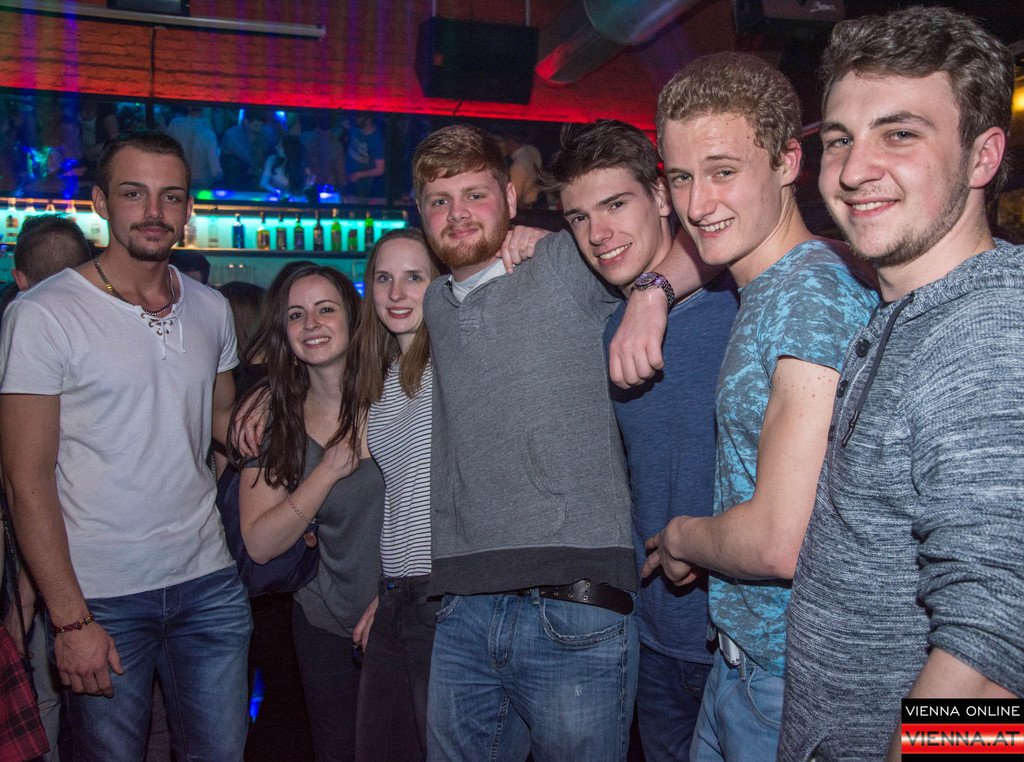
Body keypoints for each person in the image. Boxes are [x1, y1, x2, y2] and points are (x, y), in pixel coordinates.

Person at [780, 7, 1024, 760]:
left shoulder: (991, 334)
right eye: (840, 139)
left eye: (900, 134)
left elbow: (992, 665)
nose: (854, 171)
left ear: (983, 157)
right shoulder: (909, 309)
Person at [415, 124, 692, 760]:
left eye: (476, 195)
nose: (458, 214)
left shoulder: (565, 261)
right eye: (438, 201)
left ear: (511, 200)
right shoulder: (434, 303)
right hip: (461, 604)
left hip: (575, 601)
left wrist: (651, 294)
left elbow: (698, 240)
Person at [642, 52, 877, 760]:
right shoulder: (772, 287)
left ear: (786, 163)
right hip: (743, 665)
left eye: (723, 171)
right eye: (681, 177)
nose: (698, 204)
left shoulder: (809, 297)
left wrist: (682, 538)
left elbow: (780, 542)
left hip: (789, 681)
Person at [0, 131, 250, 761]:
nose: (154, 211)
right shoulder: (44, 314)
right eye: (134, 193)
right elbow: (25, 480)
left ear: (188, 209)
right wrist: (69, 619)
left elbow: (222, 424)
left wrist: (292, 415)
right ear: (100, 202)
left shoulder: (211, 308)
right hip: (101, 596)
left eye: (171, 196)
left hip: (209, 584)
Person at [541, 119, 738, 760]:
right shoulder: (611, 330)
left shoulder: (745, 301)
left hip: (749, 642)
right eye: (579, 217)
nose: (598, 234)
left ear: (661, 196)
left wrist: (652, 292)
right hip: (653, 633)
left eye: (616, 204)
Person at [233, 264, 383, 762]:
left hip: (404, 614)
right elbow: (259, 543)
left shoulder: (398, 399)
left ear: (354, 318)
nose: (312, 323)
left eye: (325, 309)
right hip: (323, 621)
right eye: (296, 314)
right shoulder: (274, 420)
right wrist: (326, 472)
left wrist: (396, 594)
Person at [350, 228, 446, 760]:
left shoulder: (453, 365)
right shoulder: (384, 379)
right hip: (396, 593)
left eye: (414, 277)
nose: (396, 293)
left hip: (445, 593)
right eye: (384, 278)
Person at [167, 106, 222, 189]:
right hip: (201, 187)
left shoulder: (175, 124)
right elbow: (216, 171)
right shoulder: (209, 134)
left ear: (189, 107)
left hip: (176, 182)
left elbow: (166, 151)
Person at [345, 115, 385, 199]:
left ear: (369, 119)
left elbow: (380, 169)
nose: (356, 118)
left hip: (364, 183)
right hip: (348, 178)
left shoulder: (376, 139)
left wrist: (359, 175)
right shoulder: (355, 129)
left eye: (360, 116)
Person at [502, 133, 543, 208]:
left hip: (526, 208)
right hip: (540, 202)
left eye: (505, 143)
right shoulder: (533, 150)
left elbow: (515, 196)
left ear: (510, 143)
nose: (504, 146)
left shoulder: (517, 166)